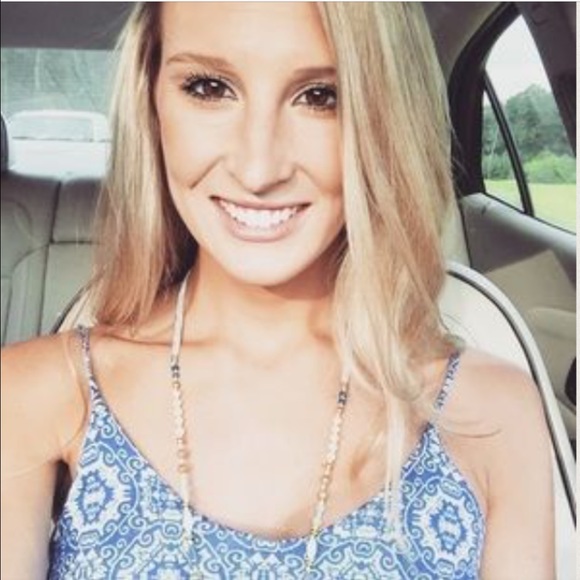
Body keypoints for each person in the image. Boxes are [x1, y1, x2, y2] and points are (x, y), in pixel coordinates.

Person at [1, 2, 554, 579]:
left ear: (385, 115)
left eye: (321, 96)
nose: (259, 169)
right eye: (209, 87)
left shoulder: (491, 413)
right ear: (151, 101)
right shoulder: (35, 394)